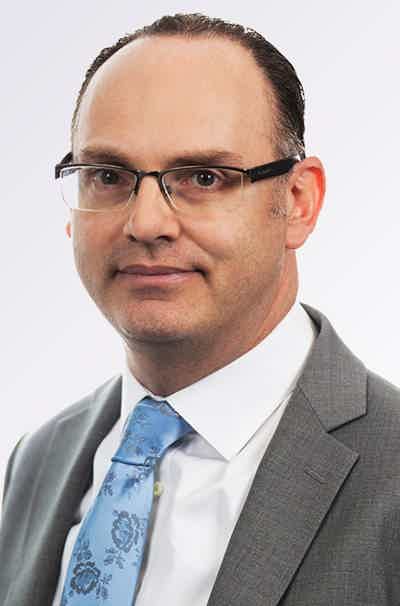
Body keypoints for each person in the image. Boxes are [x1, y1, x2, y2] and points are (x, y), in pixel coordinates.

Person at [1, 11, 400, 606]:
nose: (146, 223)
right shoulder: (38, 460)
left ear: (299, 201)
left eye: (204, 177)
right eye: (109, 175)